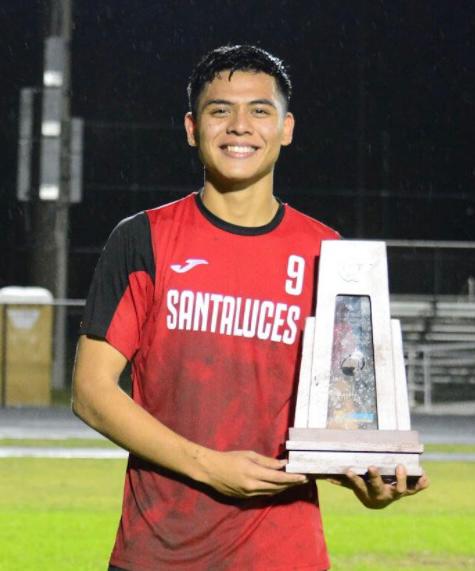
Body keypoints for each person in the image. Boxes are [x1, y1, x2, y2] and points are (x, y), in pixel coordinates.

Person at [73, 45, 429, 571]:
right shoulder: (142, 238)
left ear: (286, 128)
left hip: (283, 553)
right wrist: (208, 466)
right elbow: (91, 393)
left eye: (260, 110)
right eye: (221, 110)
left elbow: (348, 412)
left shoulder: (328, 253)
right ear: (193, 128)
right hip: (158, 553)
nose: (240, 126)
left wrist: (368, 475)